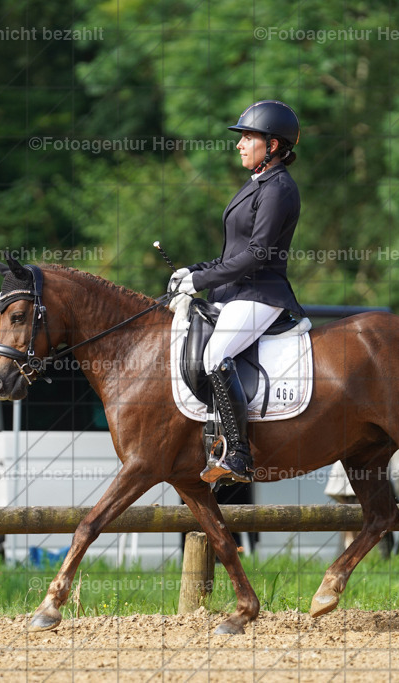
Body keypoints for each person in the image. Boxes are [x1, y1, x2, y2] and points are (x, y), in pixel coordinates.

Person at [169, 100, 306, 484]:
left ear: (273, 146)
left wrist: (201, 282)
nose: (240, 144)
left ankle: (238, 455)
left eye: (248, 137)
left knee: (216, 355)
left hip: (261, 293)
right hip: (236, 291)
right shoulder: (256, 185)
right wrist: (193, 272)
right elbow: (233, 253)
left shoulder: (279, 188)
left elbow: (258, 253)